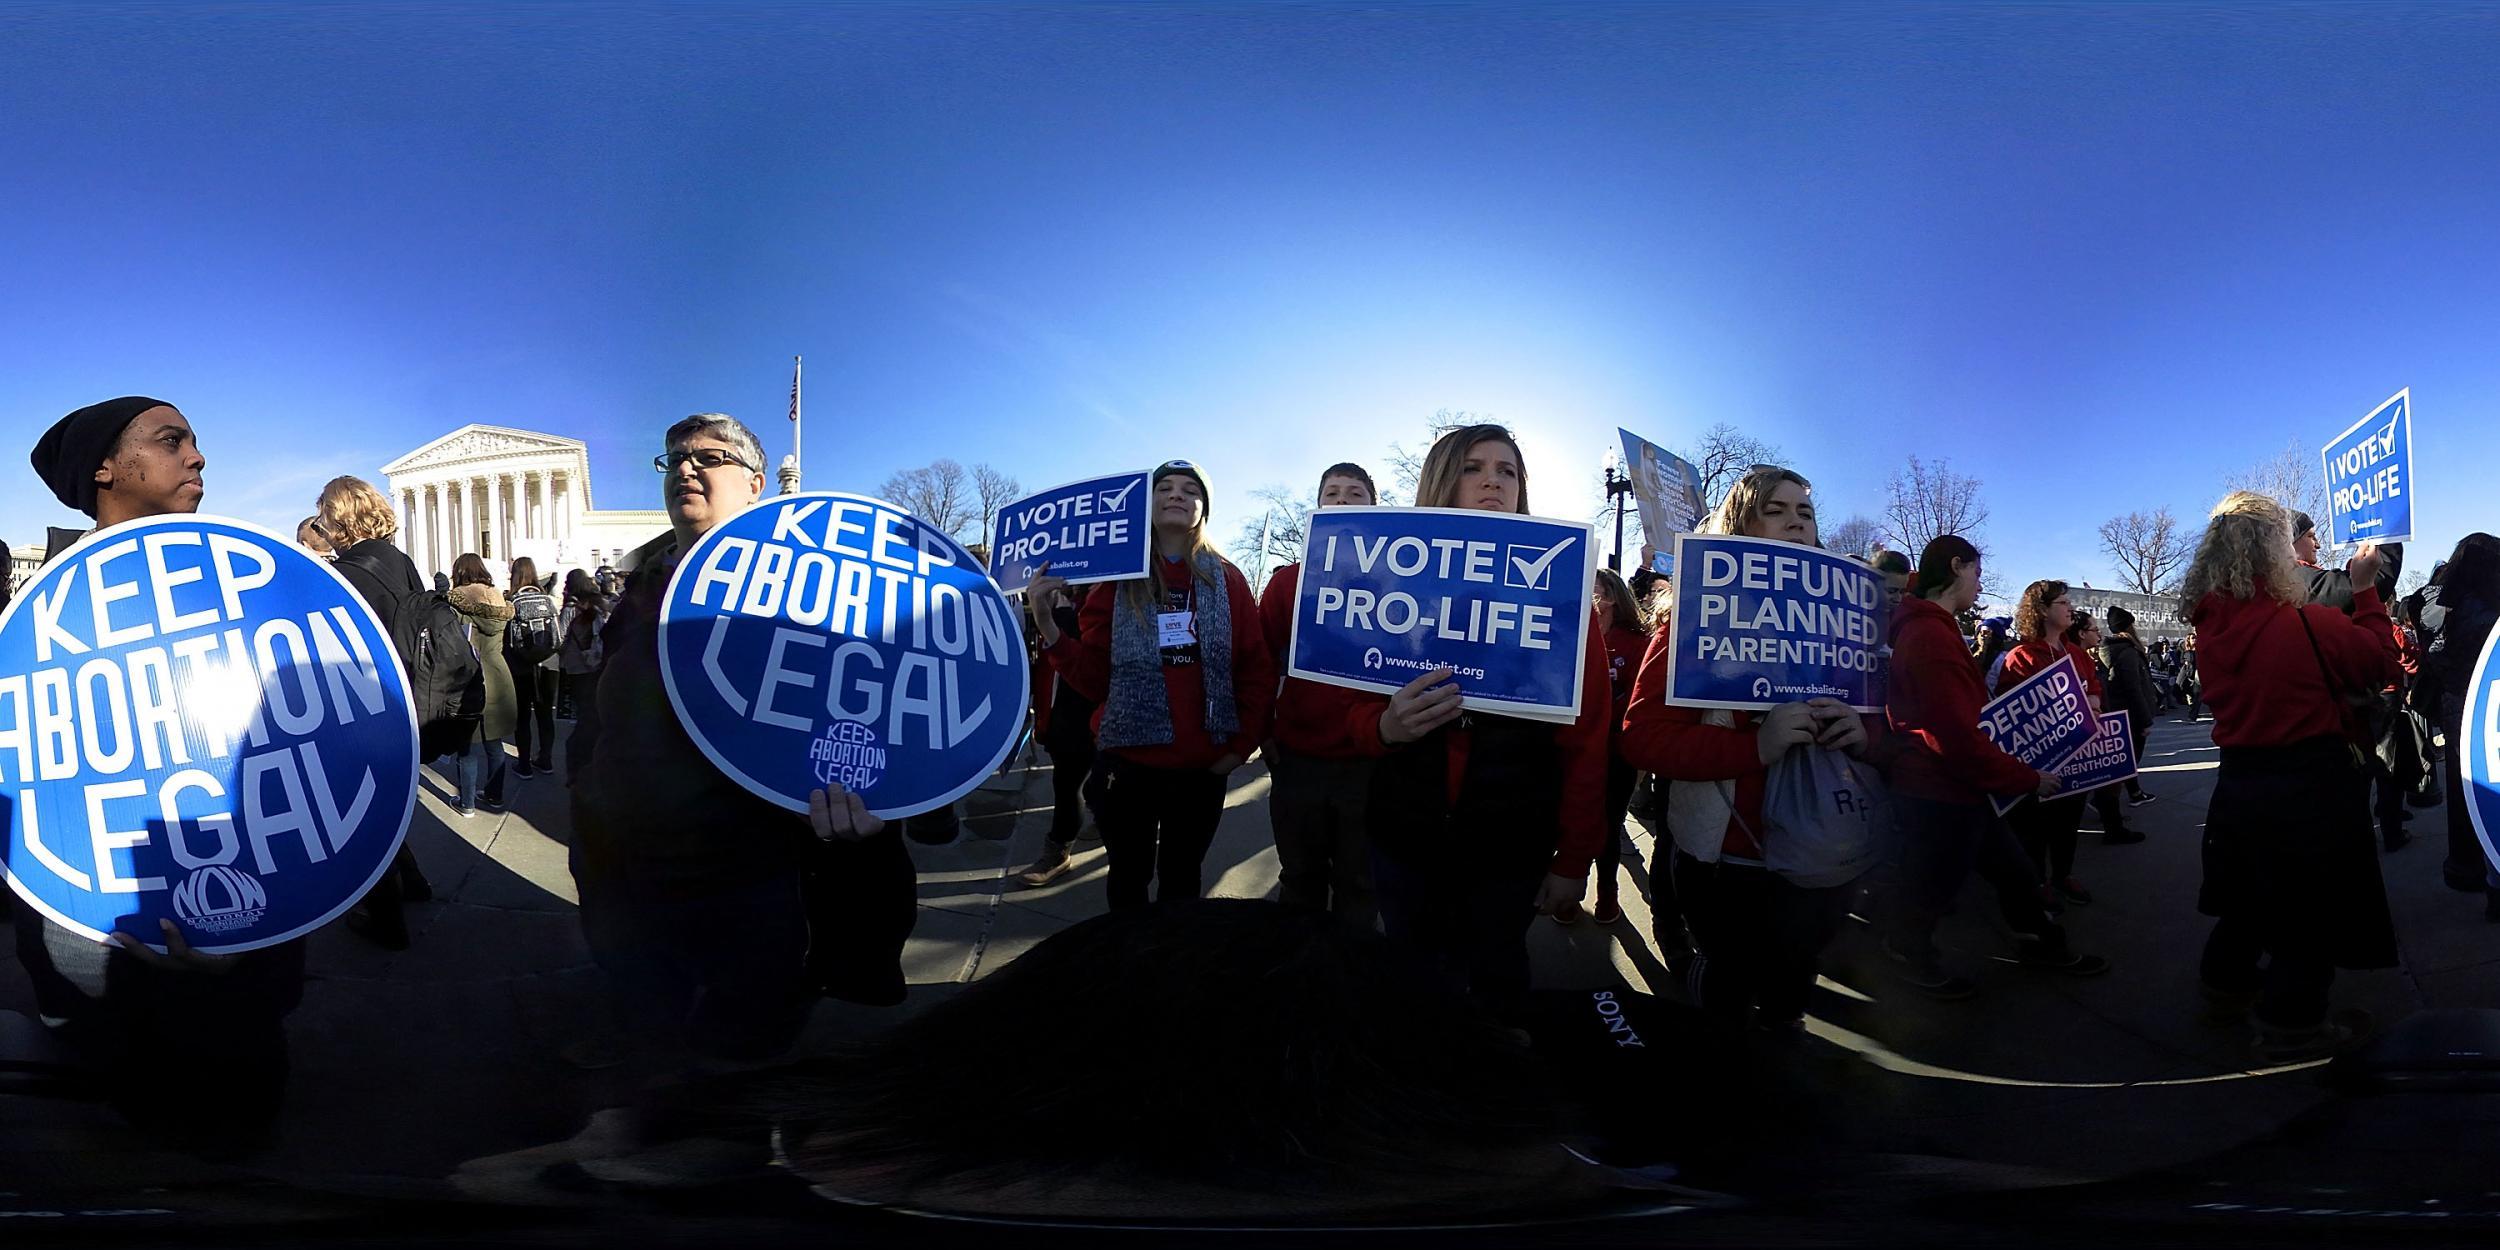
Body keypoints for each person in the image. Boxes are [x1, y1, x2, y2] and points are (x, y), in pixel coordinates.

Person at [566, 412, 916, 1084]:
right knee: (645, 1019)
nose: (687, 469)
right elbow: (599, 705)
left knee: (738, 1062)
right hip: (622, 867)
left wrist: (877, 813)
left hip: (751, 881)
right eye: (674, 459)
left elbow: (863, 711)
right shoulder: (639, 585)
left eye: (711, 456)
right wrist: (584, 787)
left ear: (756, 484)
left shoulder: (807, 590)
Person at [18, 395, 306, 1146]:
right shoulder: (40, 622)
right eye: (171, 440)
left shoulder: (243, 587)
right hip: (109, 958)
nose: (198, 456)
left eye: (195, 441)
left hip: (250, 945)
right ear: (106, 469)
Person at [1309, 425, 1611, 1006]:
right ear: (1443, 479)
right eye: (1474, 468)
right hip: (1403, 836)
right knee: (1412, 982)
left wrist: (1575, 859)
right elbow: (1351, 704)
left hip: (1511, 845)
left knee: (1497, 979)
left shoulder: (1563, 592)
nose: (1492, 481)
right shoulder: (1387, 579)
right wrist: (1382, 728)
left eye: (1508, 471)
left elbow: (1588, 740)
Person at [1617, 466, 1897, 1029]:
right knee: (1730, 986)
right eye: (1776, 509)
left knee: (1794, 979)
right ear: (1740, 525)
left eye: (1805, 512)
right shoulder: (1693, 619)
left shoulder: (1849, 625)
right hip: (1729, 860)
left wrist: (1867, 737)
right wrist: (1754, 747)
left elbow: (1892, 729)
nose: (1796, 521)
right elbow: (1642, 737)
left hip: (1826, 851)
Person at [2182, 492, 2398, 1061]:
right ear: (2272, 552)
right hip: (2310, 781)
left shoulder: (2210, 626)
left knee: (2246, 900)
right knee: (2310, 913)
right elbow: (2381, 660)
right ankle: (2293, 1024)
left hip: (2240, 780)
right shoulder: (2307, 625)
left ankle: (2223, 989)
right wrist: (2366, 588)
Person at [1028, 460, 1275, 911]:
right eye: (1164, 488)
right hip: (1127, 768)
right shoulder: (1118, 581)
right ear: (1148, 504)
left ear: (1204, 509)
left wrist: (1239, 748)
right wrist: (1048, 628)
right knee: (1127, 880)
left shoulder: (1229, 579)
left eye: (1189, 490)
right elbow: (1094, 677)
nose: (1176, 495)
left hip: (1202, 770)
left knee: (1182, 883)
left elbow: (1255, 670)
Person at [1881, 536, 2107, 998]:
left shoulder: (1933, 628)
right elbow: (1955, 735)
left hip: (1962, 789)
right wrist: (2025, 778)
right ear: (1957, 566)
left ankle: (2040, 941)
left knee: (2016, 874)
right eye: (1978, 573)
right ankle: (1909, 955)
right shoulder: (1928, 633)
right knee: (1934, 888)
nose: (1980, 585)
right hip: (1939, 790)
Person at [1254, 461, 1382, 927]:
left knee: (1360, 884)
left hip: (1371, 763)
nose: (1343, 502)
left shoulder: (1399, 583)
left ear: (1374, 509)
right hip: (1298, 760)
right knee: (1300, 879)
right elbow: (1259, 660)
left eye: (1355, 494)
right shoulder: (1289, 581)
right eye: (1333, 493)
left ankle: (1351, 984)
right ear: (1319, 505)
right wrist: (1262, 731)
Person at [322, 474, 440, 949]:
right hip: (405, 698)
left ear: (339, 517)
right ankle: (414, 882)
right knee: (382, 801)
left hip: (362, 707)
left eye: (327, 514)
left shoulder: (347, 574)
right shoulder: (399, 561)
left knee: (360, 814)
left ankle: (387, 920)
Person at [1554, 566, 1655, 929]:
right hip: (1570, 749)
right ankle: (1566, 891)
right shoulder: (1565, 636)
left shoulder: (1636, 642)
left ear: (1610, 596)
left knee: (1609, 824)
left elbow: (1642, 701)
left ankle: (1607, 891)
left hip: (1615, 753)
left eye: (1592, 589)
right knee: (1564, 816)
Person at [1994, 582, 2104, 908]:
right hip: (2039, 765)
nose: (2070, 607)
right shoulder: (2022, 657)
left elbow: (2094, 687)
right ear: (2042, 610)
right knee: (2034, 829)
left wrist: (2093, 704)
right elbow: (2013, 709)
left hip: (2077, 758)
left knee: (2068, 823)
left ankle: (2063, 875)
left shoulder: (2076, 654)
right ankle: (2037, 884)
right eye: (2063, 602)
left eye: (2070, 602)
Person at [2419, 533, 2500, 905]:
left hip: (2455, 702)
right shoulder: (2487, 609)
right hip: (2486, 703)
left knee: (2462, 787)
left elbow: (2432, 652)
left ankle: (2465, 866)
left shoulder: (2438, 603)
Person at [1014, 588, 1111, 886]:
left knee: (1077, 783)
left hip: (1090, 708)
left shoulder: (1106, 592)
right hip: (1057, 706)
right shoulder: (1053, 593)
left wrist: (1059, 613)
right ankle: (1086, 827)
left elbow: (1089, 652)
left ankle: (1059, 848)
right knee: (1070, 781)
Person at [446, 552, 517, 816]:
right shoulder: (498, 598)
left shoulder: (459, 600)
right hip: (498, 674)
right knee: (494, 743)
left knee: (467, 745)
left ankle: (466, 803)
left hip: (469, 676)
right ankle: (495, 795)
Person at [506, 556, 561, 778]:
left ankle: (524, 764)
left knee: (522, 718)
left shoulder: (513, 602)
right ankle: (546, 759)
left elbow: (508, 641)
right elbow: (558, 637)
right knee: (545, 714)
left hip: (521, 667)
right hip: (548, 664)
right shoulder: (547, 600)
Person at [2098, 605, 2158, 808]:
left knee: (2126, 757)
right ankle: (2111, 797)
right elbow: (2134, 688)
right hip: (2131, 714)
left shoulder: (2114, 650)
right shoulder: (2127, 652)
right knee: (2131, 757)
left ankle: (2131, 792)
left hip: (2122, 711)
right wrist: (2145, 720)